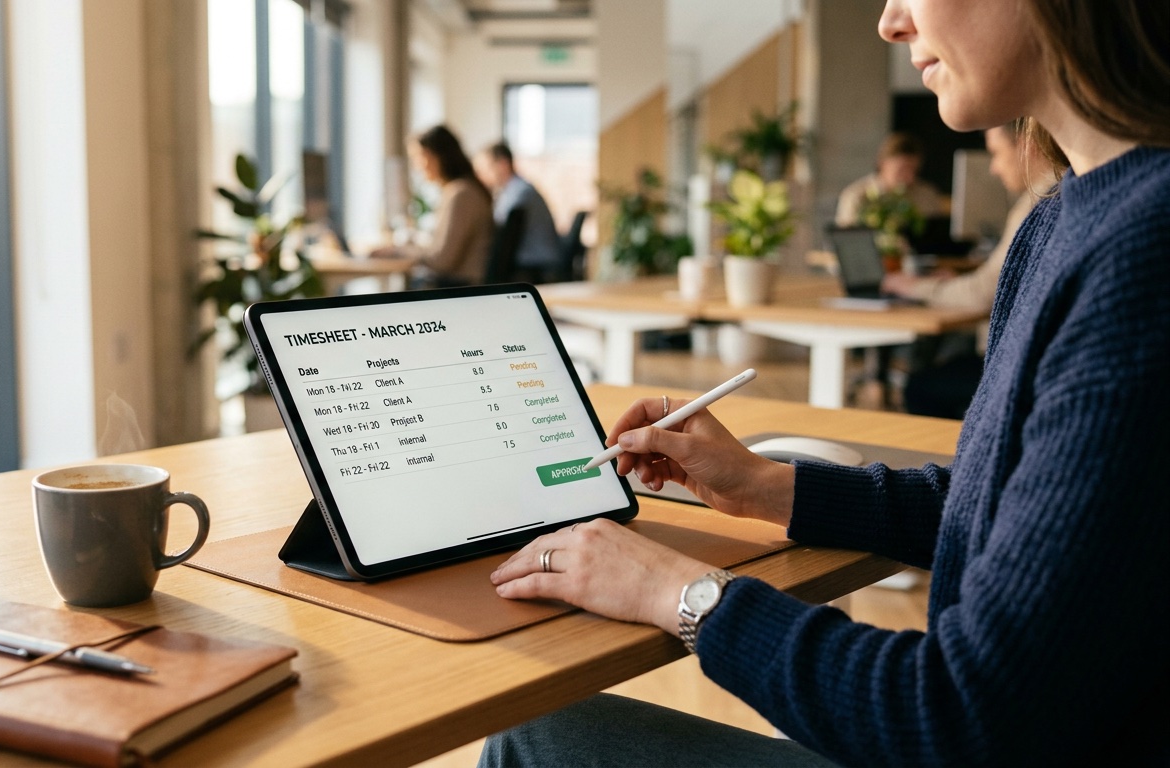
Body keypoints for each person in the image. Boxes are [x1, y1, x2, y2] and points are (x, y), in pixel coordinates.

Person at [483, 0, 1170, 765]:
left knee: (540, 741)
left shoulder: (1144, 257)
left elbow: (966, 718)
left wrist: (678, 592)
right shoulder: (1063, 221)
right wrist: (766, 486)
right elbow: (1001, 513)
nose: (891, 21)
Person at [882, 123, 1059, 418]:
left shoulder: (1039, 206)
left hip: (1020, 368)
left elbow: (982, 294)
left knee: (920, 386)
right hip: (1036, 362)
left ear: (1028, 145)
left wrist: (913, 286)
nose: (993, 168)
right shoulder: (1062, 194)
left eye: (996, 153)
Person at [371, 125, 494, 287]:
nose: (416, 166)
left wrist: (397, 251)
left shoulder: (461, 194)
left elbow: (442, 260)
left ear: (437, 157)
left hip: (459, 288)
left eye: (418, 157)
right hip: (457, 284)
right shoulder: (460, 190)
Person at [477, 142, 562, 282]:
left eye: (485, 169)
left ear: (503, 164)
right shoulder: (513, 190)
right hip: (532, 262)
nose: (482, 176)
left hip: (536, 265)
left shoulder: (519, 192)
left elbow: (499, 226)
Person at [834, 132, 948, 228]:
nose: (909, 177)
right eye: (902, 170)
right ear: (882, 164)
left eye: (914, 170)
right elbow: (846, 242)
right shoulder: (856, 196)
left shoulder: (926, 195)